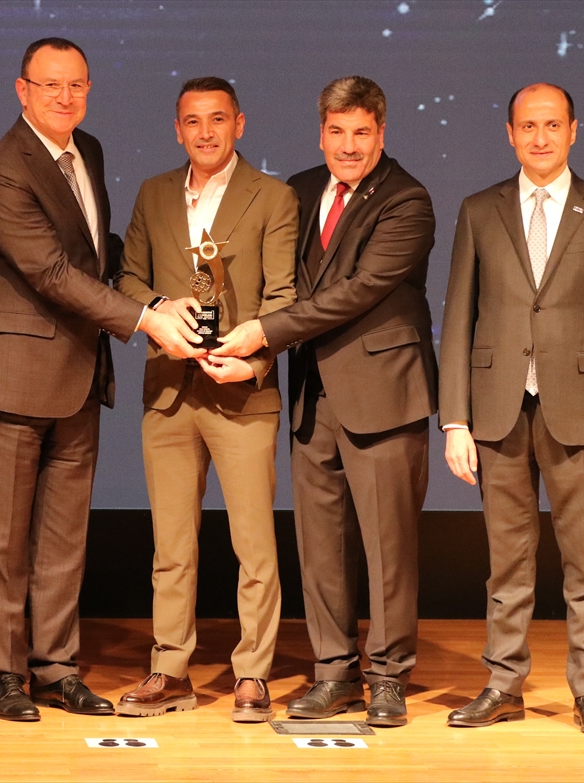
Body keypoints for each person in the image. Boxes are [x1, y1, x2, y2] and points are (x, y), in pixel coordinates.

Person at [0, 37, 202, 722]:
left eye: (76, 85)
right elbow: (52, 272)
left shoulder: (87, 149)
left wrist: (157, 295)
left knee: (63, 539)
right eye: (50, 85)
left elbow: (96, 254)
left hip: (78, 374)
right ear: (22, 90)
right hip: (8, 377)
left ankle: (56, 668)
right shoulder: (2, 170)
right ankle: (1, 673)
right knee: (2, 541)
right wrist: (146, 319)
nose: (65, 97)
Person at [214, 75, 437, 728]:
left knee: (388, 548)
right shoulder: (302, 189)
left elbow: (357, 290)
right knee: (321, 547)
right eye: (337, 131)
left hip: (383, 395)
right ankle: (334, 672)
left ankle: (388, 676)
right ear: (321, 133)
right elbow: (280, 283)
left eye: (361, 132)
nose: (348, 145)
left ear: (381, 133)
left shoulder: (407, 200)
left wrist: (263, 332)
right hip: (314, 396)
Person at [438, 83, 584, 737]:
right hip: (497, 411)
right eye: (527, 125)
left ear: (574, 130)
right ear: (510, 133)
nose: (540, 137)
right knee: (507, 559)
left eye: (552, 124)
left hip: (582, 416)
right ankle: (503, 682)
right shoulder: (480, 210)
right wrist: (454, 419)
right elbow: (458, 317)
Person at [112, 77, 297, 722]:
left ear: (239, 124)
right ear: (177, 129)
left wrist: (254, 360)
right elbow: (128, 279)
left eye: (218, 119)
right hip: (169, 390)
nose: (206, 132)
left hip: (242, 392)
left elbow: (284, 299)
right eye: (193, 121)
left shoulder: (273, 196)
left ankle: (252, 674)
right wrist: (162, 306)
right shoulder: (153, 193)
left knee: (254, 545)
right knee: (171, 546)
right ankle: (170, 671)